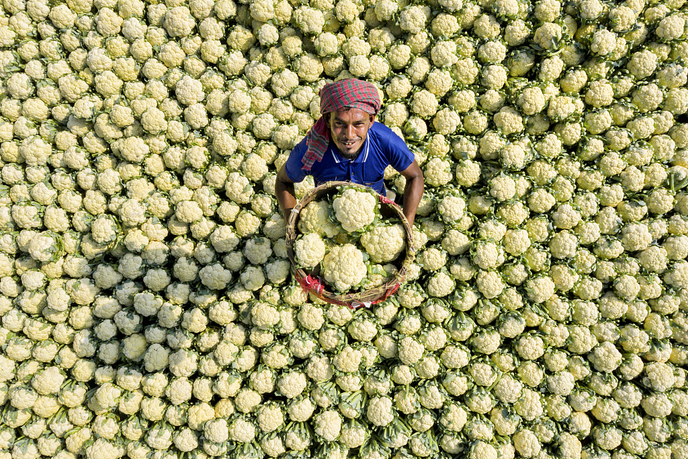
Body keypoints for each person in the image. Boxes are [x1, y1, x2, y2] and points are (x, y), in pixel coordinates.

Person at [276, 78, 424, 226]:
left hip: (377, 218)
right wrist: (292, 223)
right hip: (328, 224)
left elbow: (415, 176)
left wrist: (407, 224)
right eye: (340, 124)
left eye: (358, 124)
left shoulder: (384, 141)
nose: (349, 135)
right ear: (328, 120)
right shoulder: (312, 150)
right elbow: (283, 181)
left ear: (371, 120)